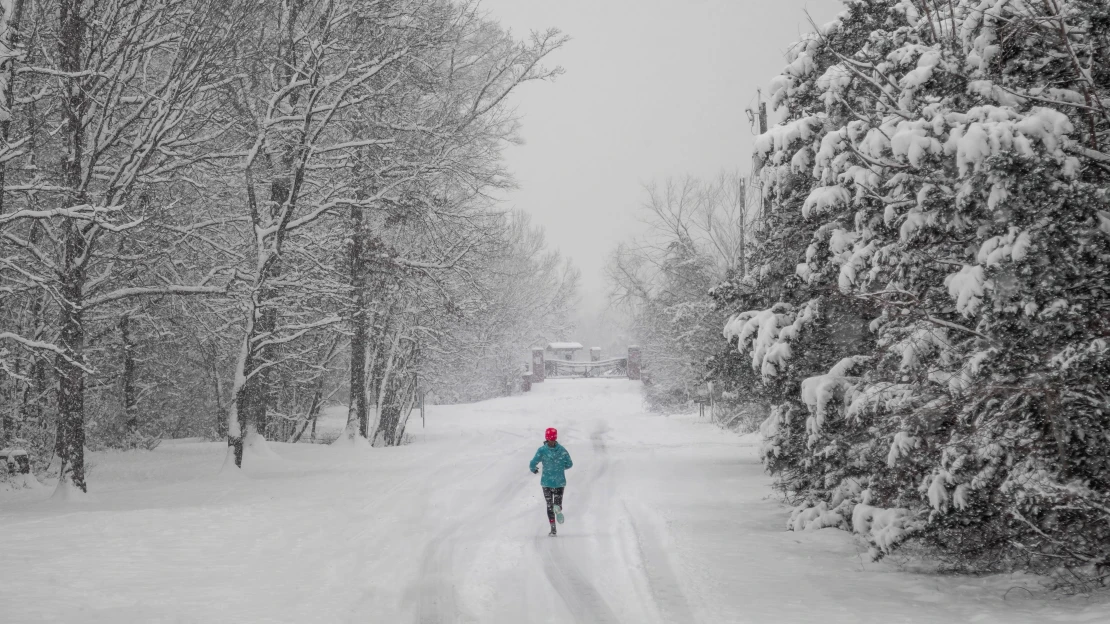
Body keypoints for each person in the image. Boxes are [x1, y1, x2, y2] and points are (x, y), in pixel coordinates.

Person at [529, 427, 573, 536]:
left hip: (547, 482)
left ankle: (553, 529)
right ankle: (558, 507)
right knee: (557, 504)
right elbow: (569, 464)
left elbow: (532, 463)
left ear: (546, 437)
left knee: (549, 505)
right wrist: (560, 468)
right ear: (556, 437)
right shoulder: (562, 450)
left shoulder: (542, 450)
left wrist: (534, 469)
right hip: (559, 482)